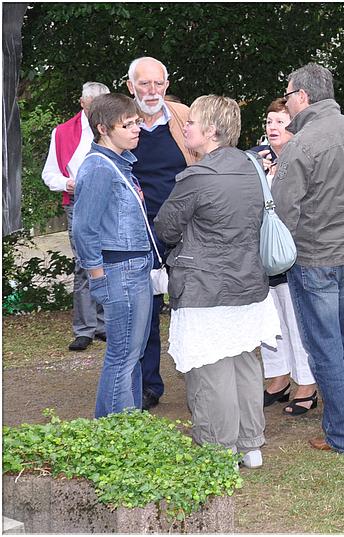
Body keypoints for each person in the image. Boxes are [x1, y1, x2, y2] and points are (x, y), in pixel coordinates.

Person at [154, 95, 281, 469]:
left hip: (205, 285)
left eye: (191, 122)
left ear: (210, 130)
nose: (185, 127)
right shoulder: (252, 168)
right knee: (243, 361)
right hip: (248, 280)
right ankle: (250, 445)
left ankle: (218, 447)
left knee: (210, 367)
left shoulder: (198, 177)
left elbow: (166, 227)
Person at [273, 63, 344, 454]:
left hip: (316, 259)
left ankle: (342, 434)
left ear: (303, 96)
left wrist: (279, 256)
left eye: (288, 95)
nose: (287, 103)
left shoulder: (301, 144)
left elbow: (283, 213)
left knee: (326, 345)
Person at [71, 94, 152, 418]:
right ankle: (115, 430)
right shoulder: (98, 167)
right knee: (123, 357)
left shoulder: (118, 163)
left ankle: (125, 425)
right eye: (127, 125)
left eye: (136, 122)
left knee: (131, 354)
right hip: (120, 271)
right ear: (103, 129)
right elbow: (83, 228)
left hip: (132, 268)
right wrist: (97, 276)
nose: (136, 129)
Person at [126, 56, 199, 410]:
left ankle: (201, 380)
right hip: (140, 232)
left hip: (187, 230)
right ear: (131, 86)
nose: (152, 91)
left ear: (167, 85)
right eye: (144, 84)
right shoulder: (120, 122)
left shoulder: (185, 116)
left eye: (158, 83)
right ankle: (148, 385)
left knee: (195, 306)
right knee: (146, 311)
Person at [250, 98, 318, 416]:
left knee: (295, 319)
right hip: (263, 255)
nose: (273, 127)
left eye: (280, 121)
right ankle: (278, 377)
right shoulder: (256, 159)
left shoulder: (302, 158)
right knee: (269, 319)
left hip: (295, 251)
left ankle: (306, 382)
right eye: (269, 121)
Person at [42, 81, 110, 351]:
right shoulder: (62, 132)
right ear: (82, 104)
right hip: (78, 201)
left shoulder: (116, 128)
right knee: (84, 263)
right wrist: (67, 183)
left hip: (110, 201)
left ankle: (105, 324)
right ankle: (85, 329)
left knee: (110, 259)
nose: (98, 111)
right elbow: (49, 175)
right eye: (93, 106)